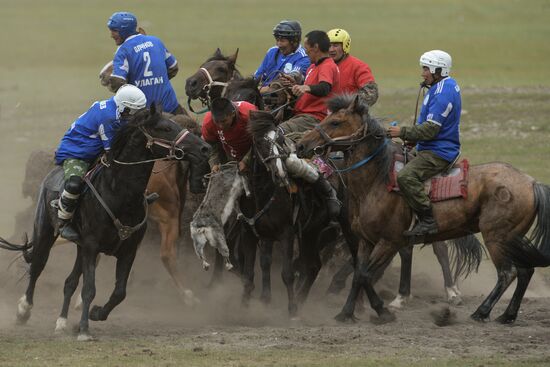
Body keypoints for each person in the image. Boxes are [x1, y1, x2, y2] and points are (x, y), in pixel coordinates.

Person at [55, 85, 147, 240]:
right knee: (74, 184)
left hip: (94, 148)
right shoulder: (108, 117)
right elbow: (112, 152)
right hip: (76, 152)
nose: (136, 115)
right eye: (134, 111)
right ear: (125, 108)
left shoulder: (117, 108)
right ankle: (63, 222)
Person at [387, 50, 461, 237]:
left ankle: (428, 220)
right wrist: (412, 140)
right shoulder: (439, 87)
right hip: (428, 146)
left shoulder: (443, 93)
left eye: (426, 69)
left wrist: (402, 132)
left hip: (439, 152)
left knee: (405, 177)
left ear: (439, 69)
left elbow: (430, 130)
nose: (423, 73)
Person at [278, 30, 341, 221]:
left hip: (314, 118)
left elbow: (325, 88)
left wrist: (306, 87)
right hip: (302, 114)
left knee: (278, 134)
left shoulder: (327, 65)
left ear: (315, 48)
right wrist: (294, 86)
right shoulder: (314, 66)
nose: (306, 53)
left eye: (307, 49)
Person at [106, 11, 184, 115]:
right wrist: (156, 80)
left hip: (146, 115)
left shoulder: (123, 51)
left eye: (114, 31)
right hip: (171, 107)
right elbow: (173, 68)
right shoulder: (156, 41)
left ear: (124, 30)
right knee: (193, 128)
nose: (111, 35)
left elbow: (117, 82)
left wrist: (111, 83)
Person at [201, 98, 257, 172]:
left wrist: (246, 160)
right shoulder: (208, 123)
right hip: (229, 154)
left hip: (254, 152)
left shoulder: (249, 114)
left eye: (224, 121)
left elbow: (260, 140)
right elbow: (212, 147)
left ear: (233, 114)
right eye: (216, 121)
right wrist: (214, 163)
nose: (220, 126)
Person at [254, 20, 310, 91]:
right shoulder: (272, 51)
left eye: (282, 41)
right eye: (277, 40)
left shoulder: (304, 57)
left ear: (294, 41)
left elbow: (293, 76)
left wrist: (260, 90)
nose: (279, 44)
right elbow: (257, 76)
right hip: (262, 94)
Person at [327, 28, 378, 106]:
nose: (331, 49)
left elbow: (371, 94)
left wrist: (349, 105)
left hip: (349, 114)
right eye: (329, 45)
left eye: (335, 45)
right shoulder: (318, 65)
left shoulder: (359, 67)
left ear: (345, 46)